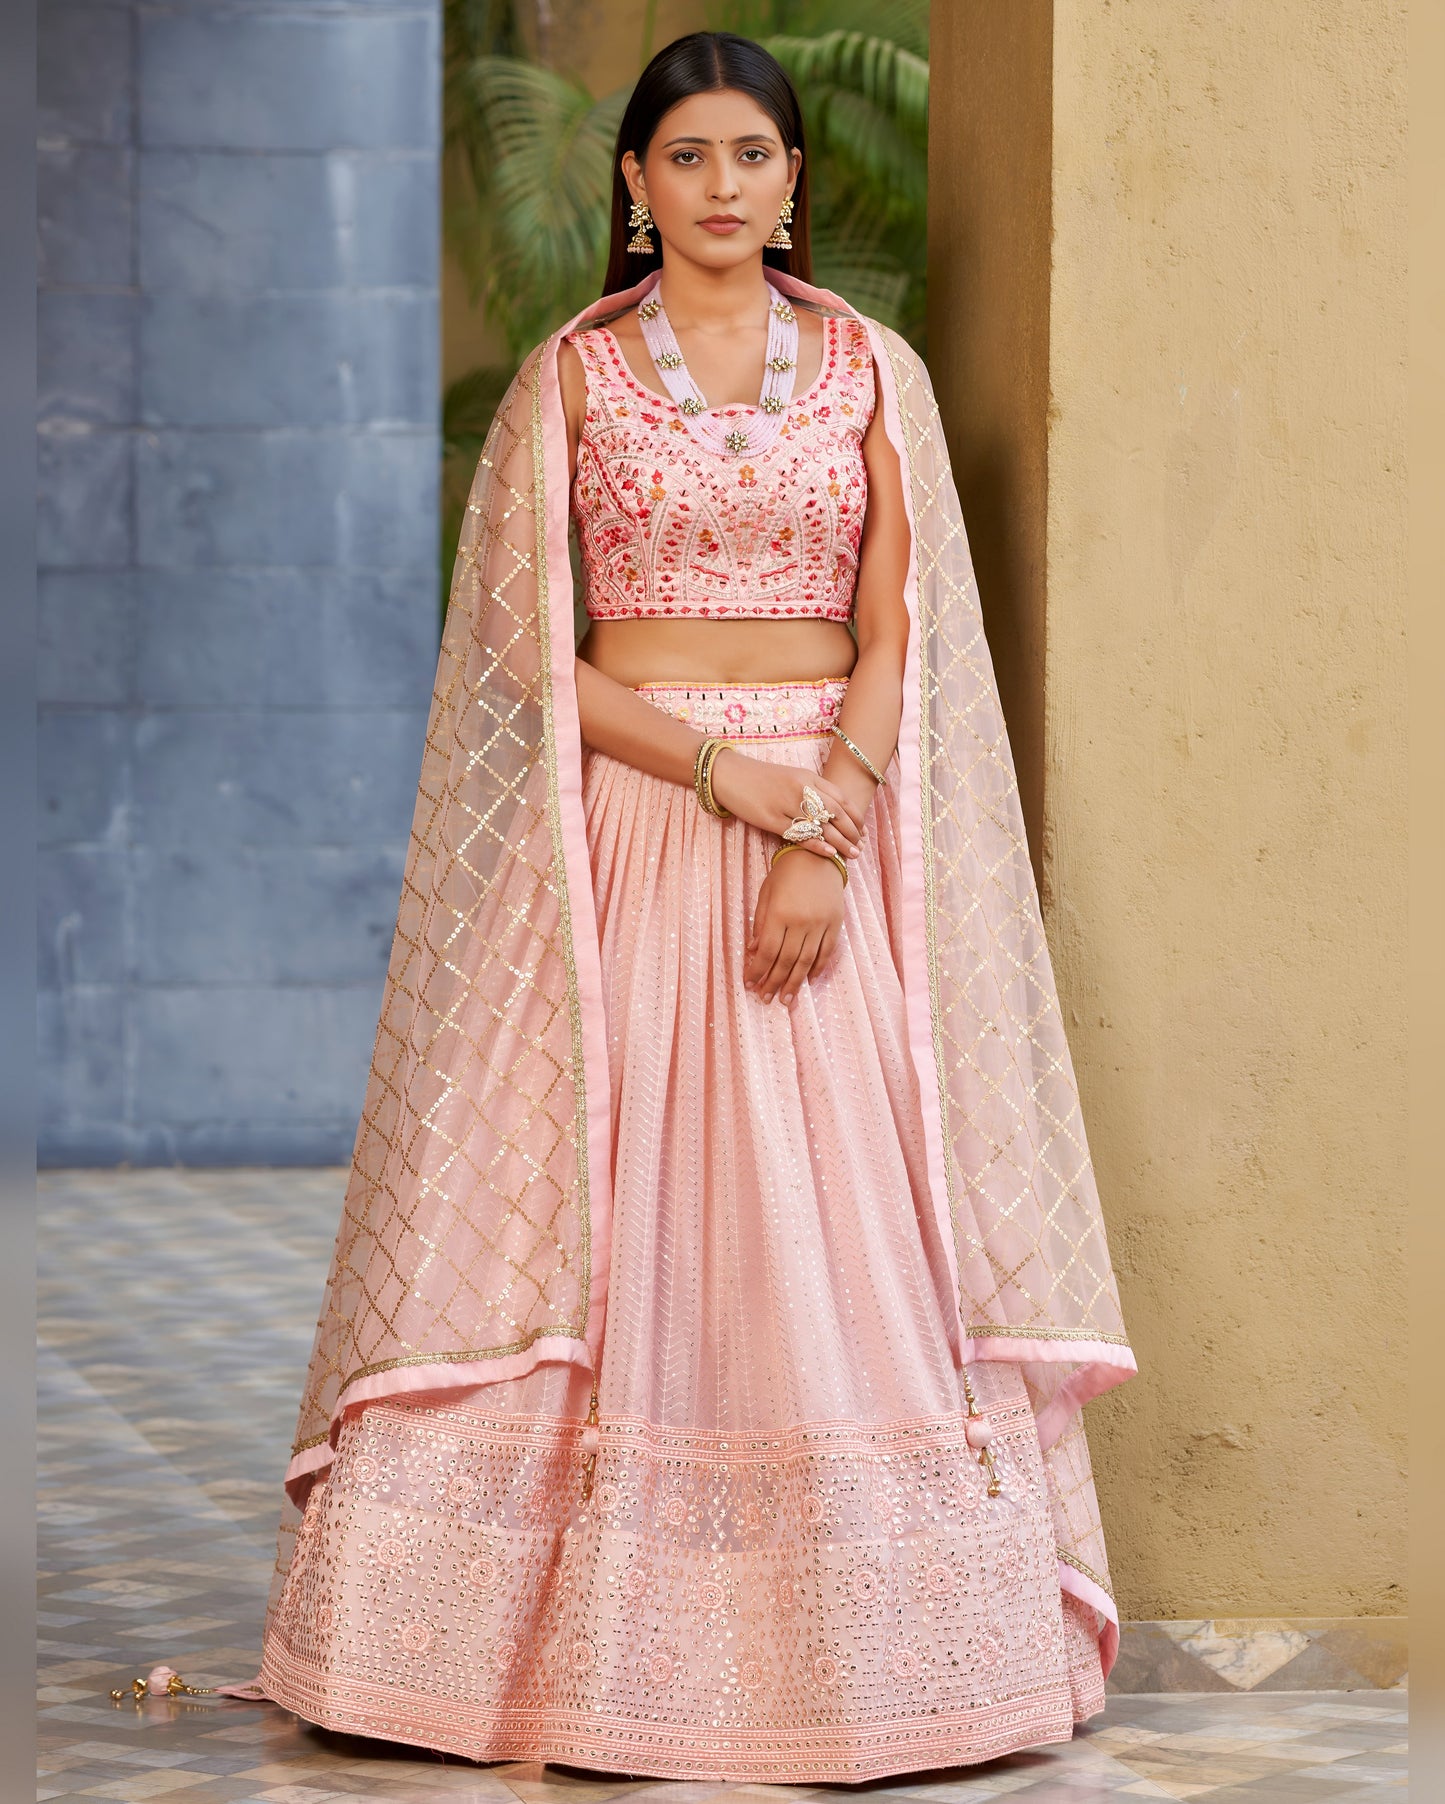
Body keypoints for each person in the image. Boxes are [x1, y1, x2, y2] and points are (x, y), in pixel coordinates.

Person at [247, 30, 1137, 1784]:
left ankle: (875, 1659)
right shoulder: (568, 382)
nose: (721, 186)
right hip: (635, 832)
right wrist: (721, 780)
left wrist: (824, 831)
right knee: (604, 1197)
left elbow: (901, 632)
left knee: (834, 1216)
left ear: (792, 179)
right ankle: (532, 1659)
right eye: (685, 159)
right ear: (632, 189)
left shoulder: (872, 370)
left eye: (751, 156)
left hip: (832, 819)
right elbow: (523, 648)